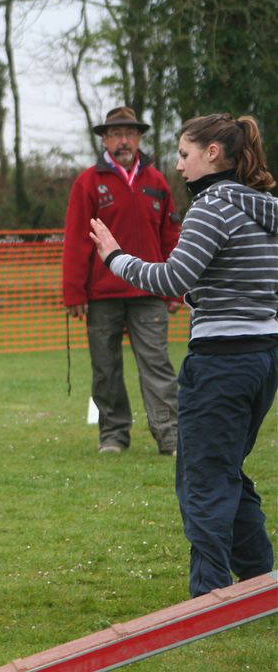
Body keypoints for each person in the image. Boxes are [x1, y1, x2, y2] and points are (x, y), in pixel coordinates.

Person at [89, 113, 278, 598]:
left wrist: (114, 256)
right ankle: (261, 583)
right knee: (225, 471)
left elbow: (172, 279)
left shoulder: (212, 206)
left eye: (184, 154)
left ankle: (208, 601)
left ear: (213, 153)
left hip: (220, 364)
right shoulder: (265, 206)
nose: (178, 166)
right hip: (263, 360)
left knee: (203, 483)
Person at [62, 106, 182, 455]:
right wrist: (74, 292)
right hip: (102, 294)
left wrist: (176, 288)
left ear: (140, 138)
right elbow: (75, 240)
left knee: (157, 365)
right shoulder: (88, 182)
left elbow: (170, 237)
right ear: (104, 139)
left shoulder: (157, 181)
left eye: (130, 133)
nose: (124, 140)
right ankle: (113, 435)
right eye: (116, 134)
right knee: (105, 368)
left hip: (150, 290)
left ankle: (170, 436)